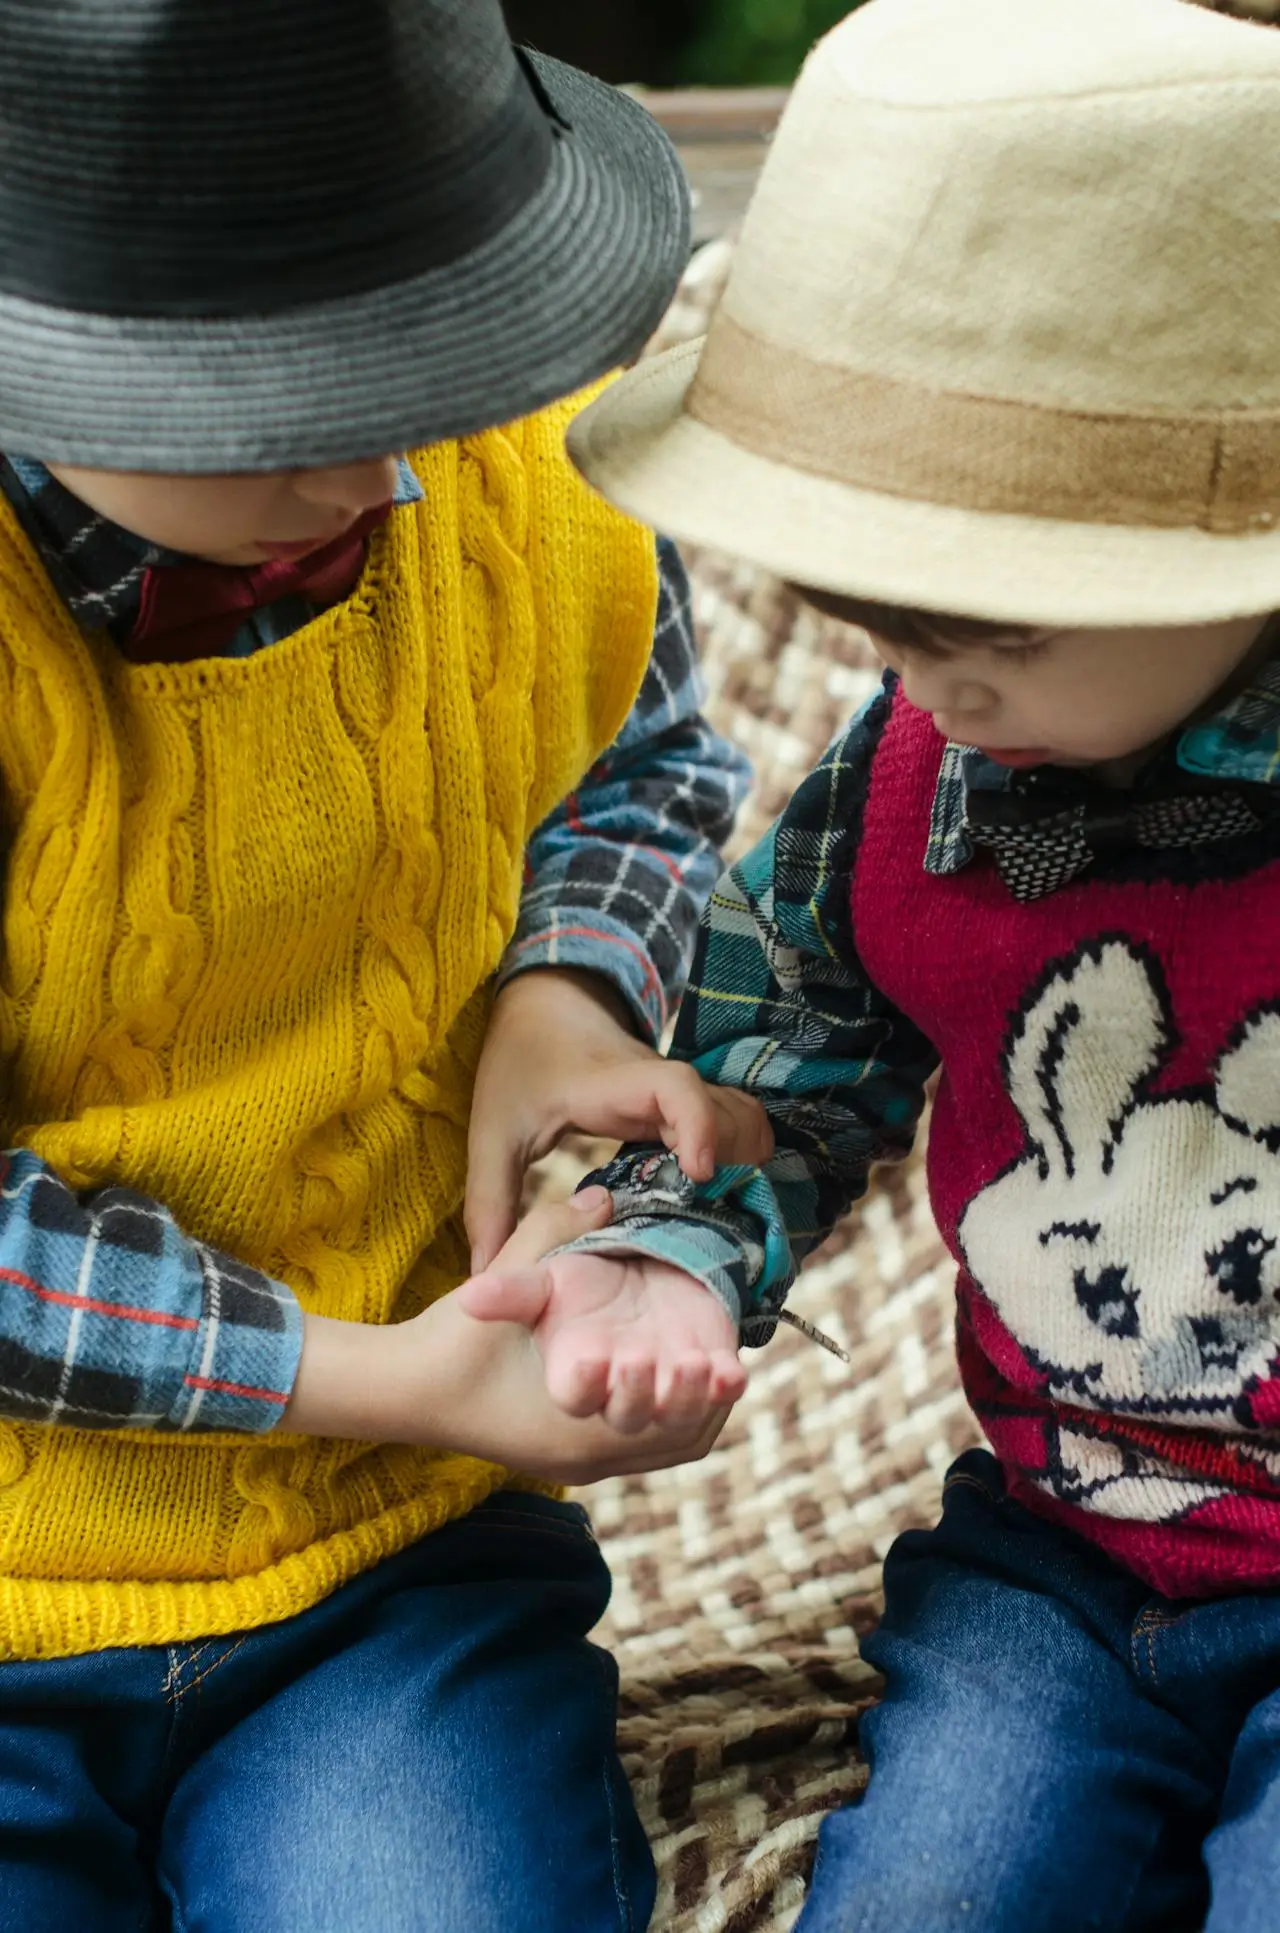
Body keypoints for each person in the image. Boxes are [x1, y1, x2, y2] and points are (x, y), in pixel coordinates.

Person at [475, 0, 1280, 1925]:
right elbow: (785, 1056)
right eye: (876, 626)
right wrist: (670, 1250)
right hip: (1057, 1570)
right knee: (928, 1898)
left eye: (992, 628)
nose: (932, 687)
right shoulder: (919, 768)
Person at [0, 2, 774, 1927]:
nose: (389, 473)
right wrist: (400, 1378)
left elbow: (640, 755)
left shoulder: (508, 466)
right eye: (283, 415)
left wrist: (564, 993)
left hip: (390, 1586)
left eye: (422, 367)